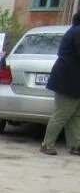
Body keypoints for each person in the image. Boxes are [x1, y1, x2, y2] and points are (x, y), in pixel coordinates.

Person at [41, 11, 80, 156]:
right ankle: (47, 144)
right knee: (62, 113)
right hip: (68, 80)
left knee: (75, 114)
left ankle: (76, 144)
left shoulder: (75, 30)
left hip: (73, 80)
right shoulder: (77, 32)